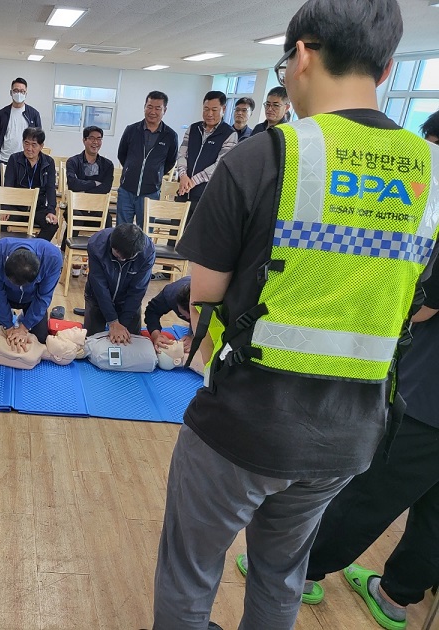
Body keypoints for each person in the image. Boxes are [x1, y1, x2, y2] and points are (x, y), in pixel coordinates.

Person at [151, 1, 439, 629]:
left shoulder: (263, 156)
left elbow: (204, 289)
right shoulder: (430, 175)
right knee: (282, 575)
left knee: (191, 569)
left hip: (245, 423)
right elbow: (414, 295)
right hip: (351, 431)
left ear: (301, 55)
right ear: (388, 70)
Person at [234, 109, 439, 630]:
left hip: (423, 394)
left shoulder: (423, 198)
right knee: (434, 509)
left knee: (374, 488)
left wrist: (365, 312)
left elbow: (423, 303)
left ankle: (307, 569)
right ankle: (398, 592)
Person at [0, 237, 62, 348]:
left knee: (40, 341)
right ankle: (1, 313)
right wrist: (8, 326)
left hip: (32, 299)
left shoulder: (53, 257)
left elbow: (44, 297)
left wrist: (24, 327)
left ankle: (22, 318)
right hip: (5, 296)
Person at [117, 91, 178, 228]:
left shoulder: (170, 136)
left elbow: (170, 161)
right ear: (144, 106)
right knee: (121, 231)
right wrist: (131, 169)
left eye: (158, 108)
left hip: (151, 192)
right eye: (149, 107)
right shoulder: (131, 130)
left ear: (165, 110)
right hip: (126, 190)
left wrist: (155, 173)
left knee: (145, 234)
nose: (153, 111)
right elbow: (122, 154)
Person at [83, 223, 155, 341]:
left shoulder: (147, 251)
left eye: (127, 259)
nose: (122, 260)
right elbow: (99, 286)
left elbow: (138, 290)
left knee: (131, 341)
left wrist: (122, 324)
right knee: (91, 342)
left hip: (127, 299)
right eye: (117, 255)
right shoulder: (96, 244)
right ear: (112, 244)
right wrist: (113, 321)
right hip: (97, 297)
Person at [175, 91, 238, 218]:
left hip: (206, 197)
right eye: (206, 109)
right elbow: (182, 154)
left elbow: (219, 165)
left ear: (223, 109)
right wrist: (183, 176)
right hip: (183, 192)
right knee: (175, 235)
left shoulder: (229, 134)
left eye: (214, 110)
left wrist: (192, 182)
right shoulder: (193, 129)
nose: (209, 114)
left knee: (198, 236)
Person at [3, 128, 58, 241]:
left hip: (38, 208)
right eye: (26, 143)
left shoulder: (49, 162)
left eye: (34, 145)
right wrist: (5, 208)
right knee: (1, 220)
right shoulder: (14, 159)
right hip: (16, 207)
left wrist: (51, 211)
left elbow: (50, 188)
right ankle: (8, 253)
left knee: (52, 225)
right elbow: (7, 186)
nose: (29, 148)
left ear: (41, 146)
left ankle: (32, 251)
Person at [0, 78, 42, 184]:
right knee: (3, 192)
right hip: (5, 158)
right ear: (11, 92)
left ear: (26, 93)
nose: (19, 93)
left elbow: (38, 137)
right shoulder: (3, 113)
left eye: (22, 91)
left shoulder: (33, 114)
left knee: (23, 192)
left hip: (26, 159)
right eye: (16, 90)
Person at [145, 276, 192, 352]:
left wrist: (197, 338)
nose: (187, 318)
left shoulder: (215, 303)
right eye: (183, 315)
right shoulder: (170, 294)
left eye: (192, 317)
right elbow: (152, 311)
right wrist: (156, 335)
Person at [66, 126, 115, 195]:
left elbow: (106, 188)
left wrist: (83, 192)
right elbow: (72, 184)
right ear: (84, 140)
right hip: (76, 202)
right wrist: (94, 183)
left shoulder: (108, 164)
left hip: (99, 203)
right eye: (92, 138)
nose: (95, 142)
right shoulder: (73, 162)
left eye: (99, 139)